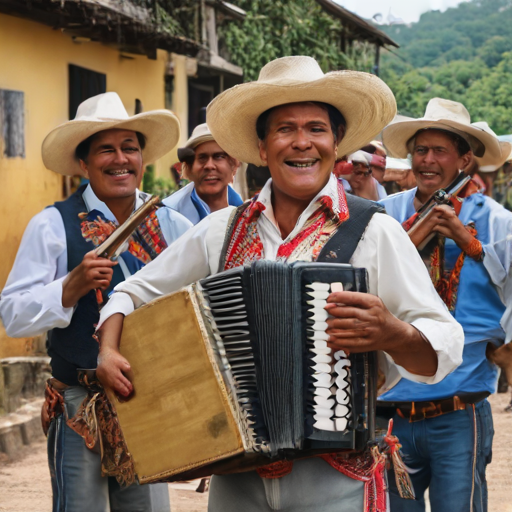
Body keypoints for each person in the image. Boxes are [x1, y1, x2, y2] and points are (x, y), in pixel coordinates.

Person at [95, 57, 463, 512]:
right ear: (262, 146)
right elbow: (132, 292)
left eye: (316, 128)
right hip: (236, 474)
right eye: (285, 128)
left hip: (336, 476)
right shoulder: (221, 229)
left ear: (336, 145)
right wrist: (109, 349)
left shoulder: (374, 230)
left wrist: (393, 332)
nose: (302, 142)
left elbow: (445, 341)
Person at [0, 92, 192, 512]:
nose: (120, 159)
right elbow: (12, 314)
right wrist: (69, 288)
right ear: (84, 164)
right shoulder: (52, 225)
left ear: (143, 159)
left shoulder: (173, 225)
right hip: (77, 403)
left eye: (130, 148)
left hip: (150, 399)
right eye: (106, 149)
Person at [380, 97, 512, 512]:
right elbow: (363, 278)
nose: (428, 160)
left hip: (460, 408)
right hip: (391, 411)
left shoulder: (495, 220)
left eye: (440, 151)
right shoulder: (384, 216)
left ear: (465, 160)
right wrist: (410, 241)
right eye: (421, 150)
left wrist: (468, 241)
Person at [163, 123, 243, 224]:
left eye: (218, 156)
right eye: (202, 157)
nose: (209, 165)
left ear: (233, 165)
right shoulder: (170, 215)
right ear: (190, 167)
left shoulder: (245, 209)